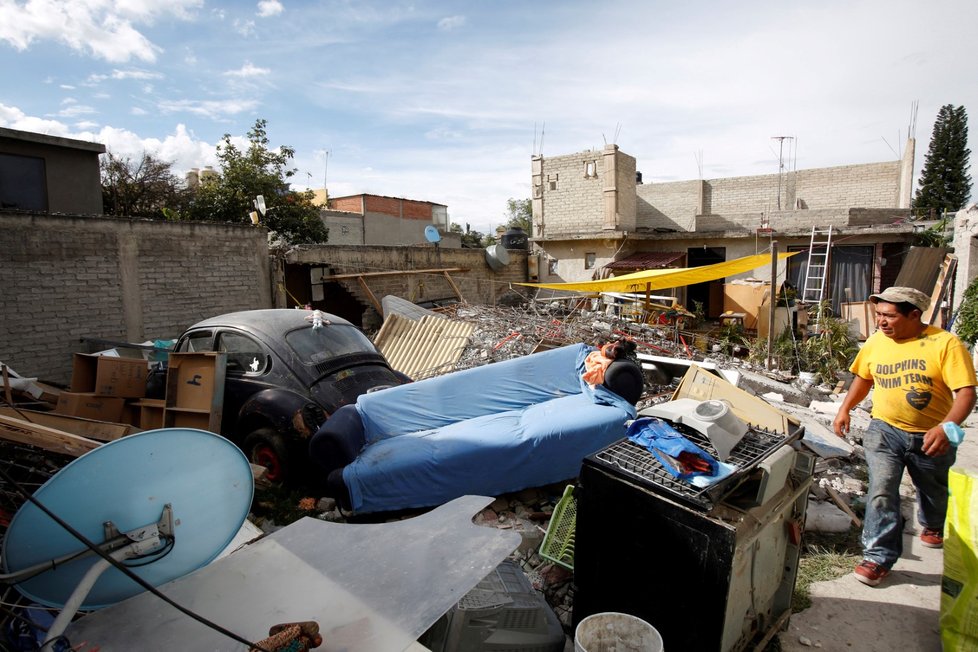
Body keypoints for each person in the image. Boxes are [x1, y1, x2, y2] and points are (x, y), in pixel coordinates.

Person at [833, 286, 977, 586]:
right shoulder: (876, 343)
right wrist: (845, 408)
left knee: (933, 489)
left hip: (931, 435)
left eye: (889, 316)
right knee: (882, 489)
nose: (881, 322)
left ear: (914, 315)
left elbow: (965, 392)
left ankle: (933, 524)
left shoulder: (944, 343)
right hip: (885, 430)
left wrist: (947, 427)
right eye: (879, 315)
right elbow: (863, 378)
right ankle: (878, 556)